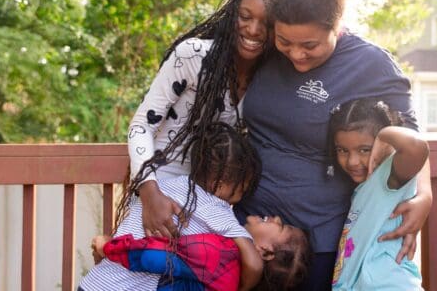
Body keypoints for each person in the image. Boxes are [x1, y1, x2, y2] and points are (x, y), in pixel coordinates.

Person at [234, 0, 433, 290]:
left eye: (310, 45)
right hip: (248, 228)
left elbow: (410, 130)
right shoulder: (267, 50)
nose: (296, 54)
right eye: (285, 42)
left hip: (317, 242)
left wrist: (424, 195)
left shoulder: (369, 63)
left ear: (336, 26)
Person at [125, 0, 272, 239]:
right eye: (245, 16)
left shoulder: (269, 77)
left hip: (212, 204)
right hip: (161, 191)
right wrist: (149, 192)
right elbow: (141, 125)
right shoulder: (193, 55)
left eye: (266, 22)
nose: (253, 29)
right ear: (232, 14)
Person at [81, 123, 309, 291]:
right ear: (223, 185)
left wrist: (107, 247)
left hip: (96, 282)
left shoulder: (161, 188)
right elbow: (253, 262)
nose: (276, 218)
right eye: (244, 184)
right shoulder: (217, 211)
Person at [328, 98, 428, 290]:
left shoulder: (389, 177)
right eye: (342, 150)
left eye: (364, 150)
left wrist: (384, 134)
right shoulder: (363, 187)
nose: (352, 161)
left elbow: (417, 146)